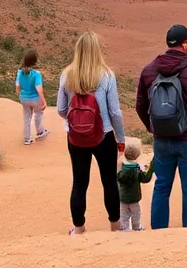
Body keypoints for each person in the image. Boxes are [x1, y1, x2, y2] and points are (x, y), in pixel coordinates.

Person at [135, 24, 187, 229]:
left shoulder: (148, 71)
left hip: (162, 141)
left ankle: (158, 234)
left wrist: (153, 127)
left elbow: (140, 105)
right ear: (184, 43)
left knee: (161, 187)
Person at [57, 31, 125, 235]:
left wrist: (75, 120)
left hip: (76, 138)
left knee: (79, 182)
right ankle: (115, 227)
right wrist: (120, 138)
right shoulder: (106, 75)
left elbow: (61, 109)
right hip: (104, 136)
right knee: (109, 182)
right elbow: (114, 111)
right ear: (97, 51)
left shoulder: (67, 75)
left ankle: (78, 228)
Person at [116, 137, 155, 232]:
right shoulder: (137, 170)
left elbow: (118, 176)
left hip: (123, 199)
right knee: (136, 214)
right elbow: (146, 179)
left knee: (124, 215)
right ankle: (137, 228)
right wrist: (151, 167)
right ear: (137, 155)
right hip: (134, 199)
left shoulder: (122, 169)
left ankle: (125, 229)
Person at [16, 48, 49, 145]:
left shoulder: (20, 72)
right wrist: (44, 101)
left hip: (24, 98)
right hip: (35, 99)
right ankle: (40, 132)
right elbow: (39, 88)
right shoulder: (36, 74)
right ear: (34, 61)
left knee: (27, 117)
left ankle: (27, 138)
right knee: (38, 114)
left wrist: (18, 93)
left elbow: (17, 85)